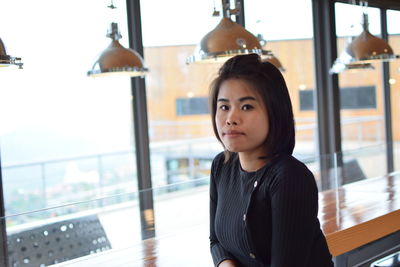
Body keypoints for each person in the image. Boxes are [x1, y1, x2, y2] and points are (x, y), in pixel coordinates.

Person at [208, 54, 334, 267]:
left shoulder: (290, 177)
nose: (231, 118)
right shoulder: (222, 165)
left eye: (246, 106)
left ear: (274, 112)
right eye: (224, 107)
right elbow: (216, 241)